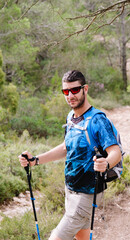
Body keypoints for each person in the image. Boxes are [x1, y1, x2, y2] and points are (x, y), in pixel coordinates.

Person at [19, 70, 121, 240]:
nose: (70, 95)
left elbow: (115, 151)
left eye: (74, 90)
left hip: (86, 194)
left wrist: (106, 163)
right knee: (82, 237)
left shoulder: (97, 120)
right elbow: (66, 148)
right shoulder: (71, 117)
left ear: (85, 89)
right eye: (65, 91)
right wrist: (35, 160)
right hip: (71, 191)